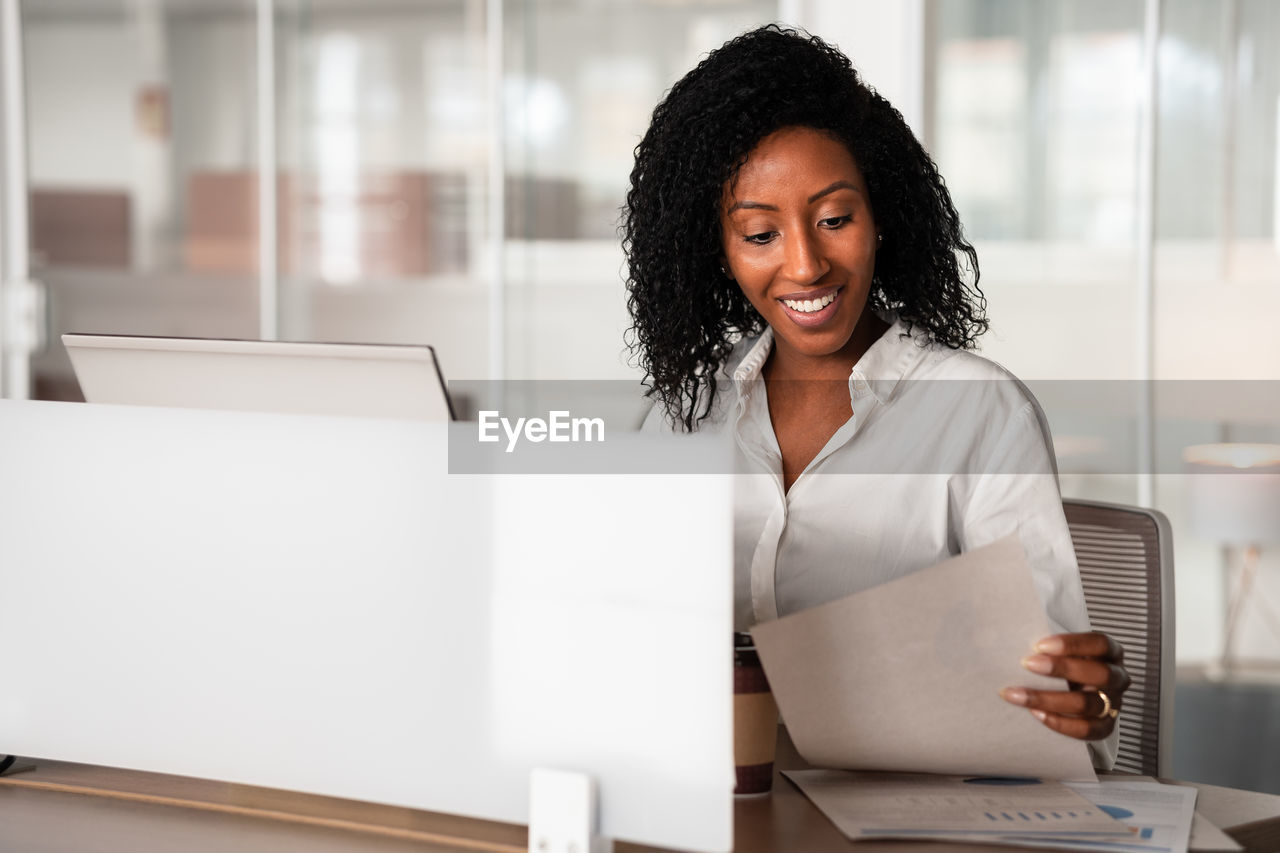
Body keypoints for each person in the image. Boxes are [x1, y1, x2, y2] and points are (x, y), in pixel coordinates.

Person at [622, 24, 1129, 763]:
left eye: (834, 220)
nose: (805, 264)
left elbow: (1055, 708)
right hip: (707, 809)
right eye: (760, 234)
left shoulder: (978, 413)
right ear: (718, 252)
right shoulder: (681, 413)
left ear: (880, 215)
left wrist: (1083, 700)